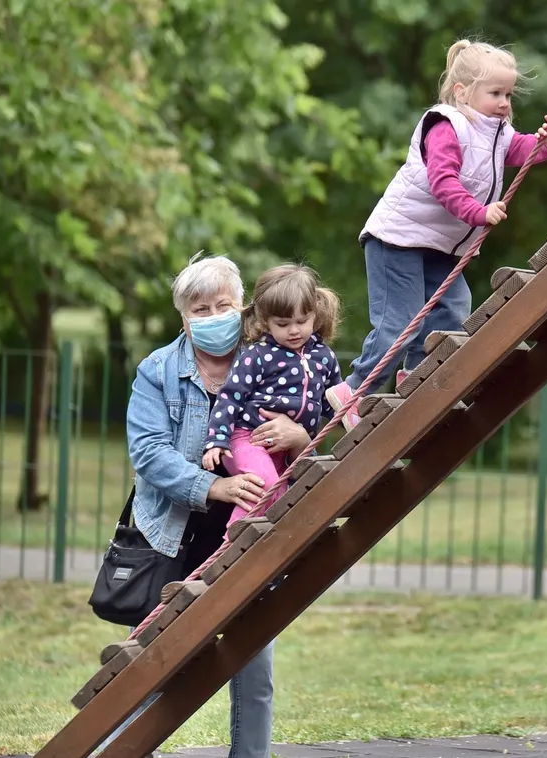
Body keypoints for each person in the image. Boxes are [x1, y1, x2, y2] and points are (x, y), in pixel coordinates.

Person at [99, 254, 312, 758]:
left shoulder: (276, 357)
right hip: (171, 534)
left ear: (243, 306)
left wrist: (300, 436)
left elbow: (322, 432)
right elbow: (149, 452)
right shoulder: (158, 370)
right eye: (200, 309)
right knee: (146, 664)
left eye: (223, 305)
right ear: (183, 317)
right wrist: (216, 487)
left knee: (254, 665)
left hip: (248, 531)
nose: (213, 316)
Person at [325, 38, 547, 429]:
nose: (504, 103)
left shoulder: (497, 132)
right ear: (462, 92)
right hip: (399, 238)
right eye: (495, 94)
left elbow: (523, 150)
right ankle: (352, 391)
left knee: (453, 310)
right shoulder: (446, 126)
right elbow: (444, 182)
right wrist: (479, 213)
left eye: (508, 95)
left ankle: (414, 377)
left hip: (439, 246)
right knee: (400, 323)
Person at [202, 264, 343, 519]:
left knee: (284, 502)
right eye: (283, 324)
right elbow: (230, 398)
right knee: (265, 486)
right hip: (248, 439)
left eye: (302, 321)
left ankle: (249, 541)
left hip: (286, 450)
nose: (294, 330)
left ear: (315, 314)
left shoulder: (324, 357)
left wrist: (349, 415)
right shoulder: (257, 355)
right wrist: (217, 440)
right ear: (266, 322)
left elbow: (332, 400)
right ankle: (234, 541)